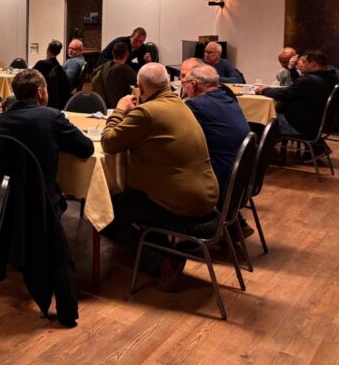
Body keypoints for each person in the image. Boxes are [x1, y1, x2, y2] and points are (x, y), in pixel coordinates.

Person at [100, 63, 218, 289]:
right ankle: (163, 252)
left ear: (141, 88)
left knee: (104, 212)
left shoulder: (147, 112)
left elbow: (109, 142)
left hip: (181, 202)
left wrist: (119, 109)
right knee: (135, 201)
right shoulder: (181, 104)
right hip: (207, 196)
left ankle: (163, 261)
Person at [0, 69, 94, 218]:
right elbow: (86, 148)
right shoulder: (52, 118)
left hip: (2, 204)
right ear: (40, 92)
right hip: (41, 204)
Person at [184, 65, 250, 201]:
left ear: (193, 85)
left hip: (219, 182)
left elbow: (181, 138)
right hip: (241, 179)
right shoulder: (229, 99)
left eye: (185, 83)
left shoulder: (196, 106)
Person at [257, 49, 338, 142]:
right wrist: (292, 70)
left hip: (298, 126)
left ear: (313, 64)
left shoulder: (309, 81)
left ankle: (260, 149)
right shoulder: (329, 78)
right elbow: (299, 88)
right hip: (315, 125)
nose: (300, 65)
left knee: (260, 119)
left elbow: (285, 94)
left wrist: (265, 90)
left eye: (304, 62)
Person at [33, 39, 71, 110]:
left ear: (47, 50)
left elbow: (29, 78)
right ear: (58, 53)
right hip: (58, 105)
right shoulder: (60, 69)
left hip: (43, 103)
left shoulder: (41, 64)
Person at [102, 41, 137, 109]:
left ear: (113, 53)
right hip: (122, 107)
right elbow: (137, 83)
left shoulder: (104, 66)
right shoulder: (125, 69)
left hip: (105, 105)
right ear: (127, 54)